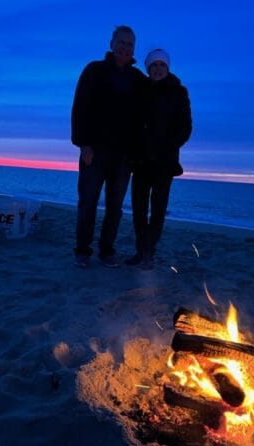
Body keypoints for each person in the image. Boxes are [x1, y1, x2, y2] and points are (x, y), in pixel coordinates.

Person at [71, 26, 146, 268]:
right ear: (112, 43)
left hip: (123, 156)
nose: (126, 48)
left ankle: (106, 251)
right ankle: (83, 251)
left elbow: (152, 103)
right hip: (95, 151)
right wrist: (84, 144)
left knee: (115, 207)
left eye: (130, 44)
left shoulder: (137, 79)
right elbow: (80, 108)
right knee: (88, 202)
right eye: (122, 42)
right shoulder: (94, 71)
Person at [125, 49, 192, 270]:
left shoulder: (179, 92)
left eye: (162, 65)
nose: (158, 69)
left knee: (158, 210)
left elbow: (185, 128)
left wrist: (166, 146)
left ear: (168, 68)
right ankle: (140, 250)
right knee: (139, 210)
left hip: (165, 163)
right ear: (148, 68)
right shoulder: (140, 91)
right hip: (141, 162)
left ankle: (149, 253)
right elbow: (132, 124)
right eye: (154, 66)